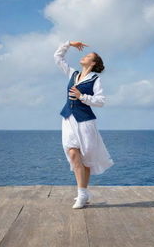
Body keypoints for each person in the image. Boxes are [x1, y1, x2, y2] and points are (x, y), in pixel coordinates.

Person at [54, 40, 114, 209]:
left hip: (85, 122)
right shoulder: (72, 74)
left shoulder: (95, 79)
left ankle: (83, 193)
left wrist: (82, 97)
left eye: (88, 56)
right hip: (68, 119)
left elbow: (101, 101)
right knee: (73, 154)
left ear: (93, 63)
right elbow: (57, 57)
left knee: (85, 159)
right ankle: (82, 194)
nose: (84, 56)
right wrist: (69, 44)